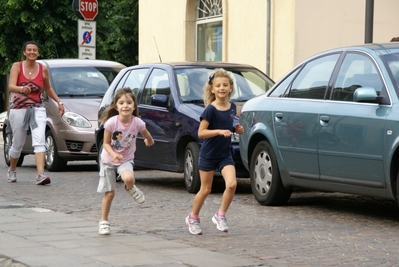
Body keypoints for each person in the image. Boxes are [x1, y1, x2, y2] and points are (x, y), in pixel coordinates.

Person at [185, 68, 244, 235]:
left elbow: (231, 124)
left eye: (225, 85)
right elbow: (201, 133)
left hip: (225, 154)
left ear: (231, 88)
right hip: (209, 154)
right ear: (212, 89)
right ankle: (193, 217)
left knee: (232, 184)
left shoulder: (232, 107)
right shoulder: (210, 110)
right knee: (206, 189)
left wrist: (236, 128)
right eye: (218, 85)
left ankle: (220, 215)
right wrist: (218, 131)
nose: (222, 88)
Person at [97, 88, 154, 235]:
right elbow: (106, 143)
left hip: (126, 158)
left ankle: (130, 188)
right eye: (121, 103)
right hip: (108, 160)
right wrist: (113, 155)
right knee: (109, 193)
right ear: (116, 107)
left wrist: (149, 140)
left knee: (129, 178)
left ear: (134, 106)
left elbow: (146, 134)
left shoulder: (138, 123)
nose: (125, 106)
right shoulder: (111, 123)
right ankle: (104, 221)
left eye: (129, 103)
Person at [7, 41, 64, 184]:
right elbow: (11, 87)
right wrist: (21, 89)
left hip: (37, 107)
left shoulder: (43, 68)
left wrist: (59, 102)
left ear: (38, 53)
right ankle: (12, 168)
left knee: (39, 141)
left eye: (35, 50)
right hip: (19, 108)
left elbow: (48, 88)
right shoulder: (17, 66)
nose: (32, 52)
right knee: (18, 143)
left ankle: (40, 175)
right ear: (24, 52)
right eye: (29, 50)